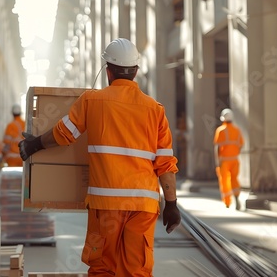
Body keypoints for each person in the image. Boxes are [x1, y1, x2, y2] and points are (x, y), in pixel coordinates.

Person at [19, 38, 181, 276]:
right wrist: (172, 204)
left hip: (106, 206)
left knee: (103, 268)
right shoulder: (155, 110)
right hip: (142, 206)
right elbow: (165, 163)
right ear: (136, 71)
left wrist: (35, 144)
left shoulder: (91, 100)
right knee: (136, 270)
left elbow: (64, 134)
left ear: (108, 71)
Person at [213, 108, 244, 210]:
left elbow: (217, 147)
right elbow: (241, 145)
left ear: (223, 119)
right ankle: (236, 198)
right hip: (235, 160)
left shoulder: (220, 130)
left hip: (224, 160)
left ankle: (227, 202)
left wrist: (218, 161)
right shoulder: (237, 130)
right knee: (234, 180)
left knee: (225, 181)